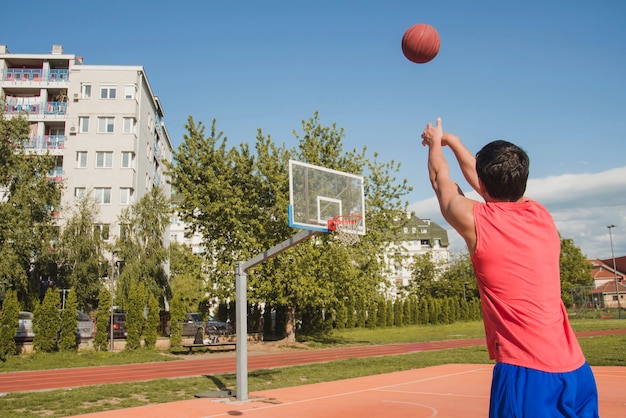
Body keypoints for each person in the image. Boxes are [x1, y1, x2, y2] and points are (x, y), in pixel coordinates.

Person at [421, 118, 599, 417]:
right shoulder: (540, 214)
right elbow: (485, 183)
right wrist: (453, 141)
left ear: (483, 181)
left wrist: (437, 142)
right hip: (577, 372)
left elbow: (441, 179)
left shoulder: (476, 221)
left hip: (527, 374)